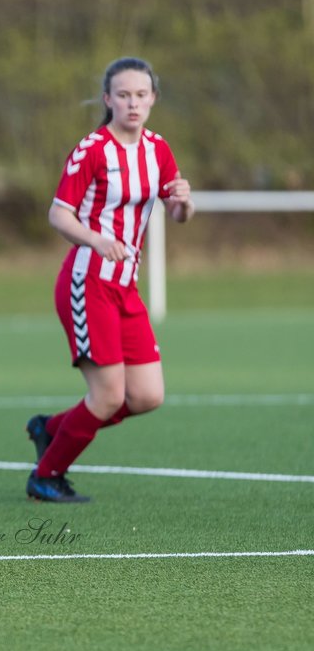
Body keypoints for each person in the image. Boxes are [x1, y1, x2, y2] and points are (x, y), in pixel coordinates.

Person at [25, 56, 195, 502]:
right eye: (123, 95)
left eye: (141, 94)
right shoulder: (93, 150)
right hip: (87, 284)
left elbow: (176, 213)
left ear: (153, 98)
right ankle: (46, 475)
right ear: (108, 99)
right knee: (106, 397)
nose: (133, 103)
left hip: (125, 287)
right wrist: (96, 241)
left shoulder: (158, 150)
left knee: (146, 396)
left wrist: (183, 201)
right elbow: (58, 214)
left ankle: (52, 428)